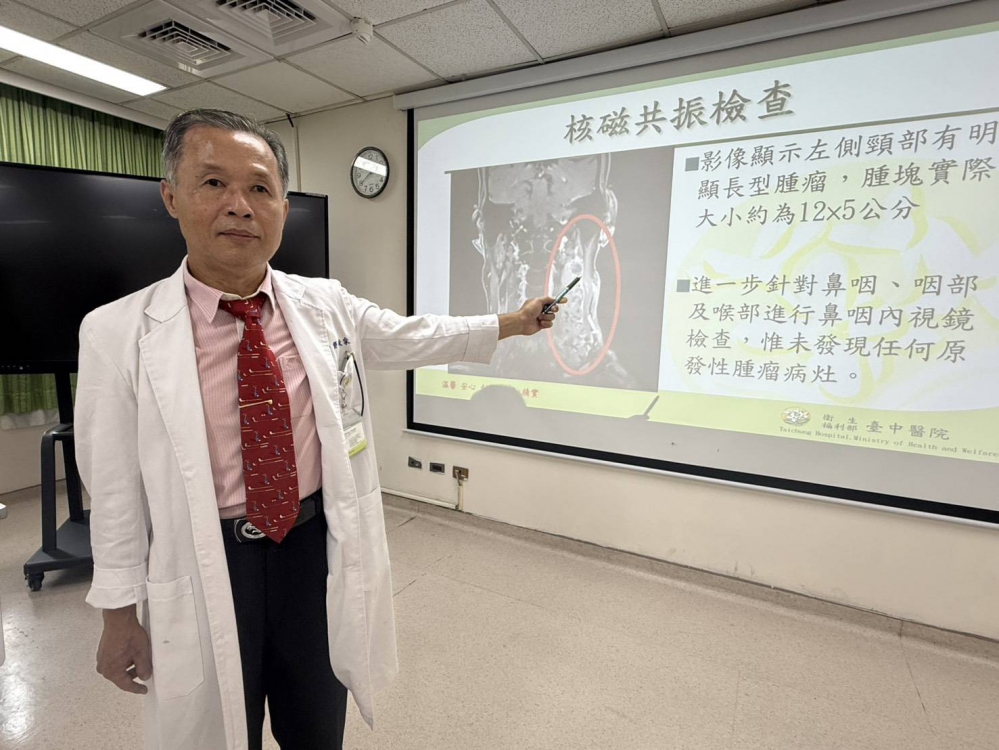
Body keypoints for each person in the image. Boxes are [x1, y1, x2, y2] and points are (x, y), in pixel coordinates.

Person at [74, 108, 562, 750]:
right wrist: (117, 614)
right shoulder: (115, 332)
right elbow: (111, 489)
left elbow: (408, 334)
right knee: (216, 731)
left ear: (282, 208)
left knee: (316, 726)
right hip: (205, 558)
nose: (240, 206)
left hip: (311, 551)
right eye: (214, 183)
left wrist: (512, 323)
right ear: (171, 197)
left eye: (260, 188)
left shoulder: (324, 303)